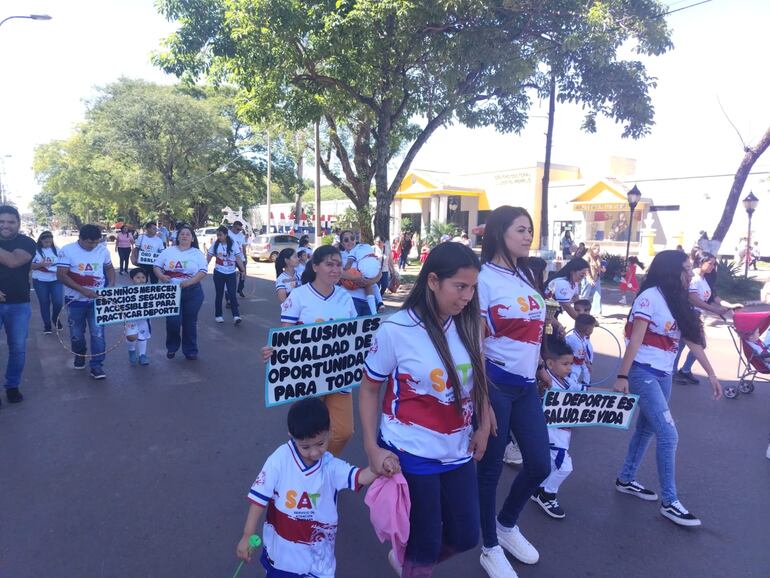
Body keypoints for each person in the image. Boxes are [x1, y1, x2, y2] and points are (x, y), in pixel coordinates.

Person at [360, 241, 493, 577]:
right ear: (433, 281)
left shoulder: (470, 325)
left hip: (457, 450)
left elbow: (477, 377)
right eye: (459, 286)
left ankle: (410, 564)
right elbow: (370, 388)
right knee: (424, 543)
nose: (467, 296)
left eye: (473, 288)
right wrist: (371, 448)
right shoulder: (396, 329)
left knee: (465, 536)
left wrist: (481, 424)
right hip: (410, 452)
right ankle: (415, 566)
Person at [614, 250, 723, 527]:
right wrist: (622, 375)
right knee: (668, 434)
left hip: (664, 374)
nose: (690, 273)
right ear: (670, 271)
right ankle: (670, 502)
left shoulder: (678, 299)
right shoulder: (649, 297)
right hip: (642, 372)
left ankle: (626, 479)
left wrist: (711, 373)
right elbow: (635, 341)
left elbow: (692, 341)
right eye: (685, 269)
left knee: (647, 428)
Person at [475, 206, 551, 578]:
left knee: (539, 463)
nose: (528, 235)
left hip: (526, 386)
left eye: (530, 229)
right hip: (494, 382)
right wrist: (482, 396)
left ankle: (506, 526)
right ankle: (488, 546)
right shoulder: (482, 279)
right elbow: (474, 342)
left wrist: (539, 367)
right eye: (520, 229)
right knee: (489, 470)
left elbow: (535, 332)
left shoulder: (525, 275)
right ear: (499, 233)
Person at [236, 397, 380, 577]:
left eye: (320, 443)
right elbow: (259, 498)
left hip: (318, 562)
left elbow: (360, 477)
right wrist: (247, 533)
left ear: (330, 432)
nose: (314, 452)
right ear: (292, 436)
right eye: (305, 447)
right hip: (281, 557)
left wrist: (379, 466)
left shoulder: (331, 467)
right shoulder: (279, 460)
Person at [278, 245, 358, 456]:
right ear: (315, 266)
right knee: (308, 432)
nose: (335, 269)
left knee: (343, 431)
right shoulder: (298, 295)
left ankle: (323, 466)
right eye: (329, 264)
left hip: (340, 373)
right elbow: (285, 336)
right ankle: (307, 471)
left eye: (339, 264)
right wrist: (274, 352)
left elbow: (355, 335)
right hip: (309, 374)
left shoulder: (345, 297)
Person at [530, 336, 585, 519]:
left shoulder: (567, 381)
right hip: (552, 432)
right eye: (565, 364)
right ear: (550, 364)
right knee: (564, 466)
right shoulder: (547, 383)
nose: (569, 368)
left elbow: (584, 391)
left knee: (554, 464)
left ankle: (540, 490)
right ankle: (547, 494)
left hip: (563, 431)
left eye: (570, 364)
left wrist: (613, 394)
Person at [57, 224, 116, 380]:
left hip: (97, 301)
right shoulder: (67, 250)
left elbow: (109, 268)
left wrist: (110, 285)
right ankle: (80, 354)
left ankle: (96, 366)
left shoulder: (102, 250)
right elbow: (61, 275)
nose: (94, 245)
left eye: (96, 242)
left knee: (98, 334)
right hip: (75, 301)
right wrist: (83, 290)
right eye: (90, 242)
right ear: (81, 239)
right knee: (77, 334)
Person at [673, 252, 741, 385]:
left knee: (693, 345)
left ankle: (684, 371)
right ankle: (674, 373)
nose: (713, 266)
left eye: (714, 264)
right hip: (688, 315)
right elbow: (692, 298)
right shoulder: (693, 277)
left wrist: (730, 305)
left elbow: (713, 297)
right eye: (710, 263)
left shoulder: (705, 279)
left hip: (696, 316)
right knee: (686, 345)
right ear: (701, 262)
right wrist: (714, 310)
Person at [0, 205, 37, 405]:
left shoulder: (27, 242)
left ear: (18, 224)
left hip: (19, 305)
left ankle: (12, 386)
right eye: (2, 221)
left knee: (18, 349)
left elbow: (14, 261)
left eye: (10, 222)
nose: (6, 225)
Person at [154, 224, 208, 360]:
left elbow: (203, 271)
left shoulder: (197, 253)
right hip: (171, 292)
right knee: (173, 321)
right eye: (182, 234)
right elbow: (156, 266)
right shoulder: (168, 251)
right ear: (177, 237)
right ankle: (172, 347)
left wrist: (189, 282)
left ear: (192, 239)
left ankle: (190, 350)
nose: (184, 236)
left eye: (188, 234)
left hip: (193, 292)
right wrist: (161, 276)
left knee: (190, 322)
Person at [207, 225, 244, 325]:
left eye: (220, 235)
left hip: (231, 273)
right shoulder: (215, 244)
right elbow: (209, 256)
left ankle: (236, 316)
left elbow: (238, 258)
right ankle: (218, 315)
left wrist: (242, 270)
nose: (219, 237)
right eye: (217, 235)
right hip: (219, 272)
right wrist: (204, 266)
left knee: (232, 294)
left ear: (226, 235)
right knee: (219, 294)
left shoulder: (233, 244)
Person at [338, 230, 381, 316]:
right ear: (342, 243)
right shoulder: (340, 256)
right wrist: (355, 278)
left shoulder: (364, 251)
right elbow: (338, 272)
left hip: (368, 299)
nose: (350, 242)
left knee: (369, 327)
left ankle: (380, 303)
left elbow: (379, 272)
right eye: (346, 240)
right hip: (351, 298)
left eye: (352, 238)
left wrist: (370, 282)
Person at [30, 231, 63, 335]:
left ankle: (55, 318)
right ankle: (47, 325)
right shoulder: (35, 251)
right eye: (46, 242)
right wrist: (41, 264)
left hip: (55, 280)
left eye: (50, 241)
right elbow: (29, 266)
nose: (48, 243)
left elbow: (64, 263)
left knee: (58, 303)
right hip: (40, 281)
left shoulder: (57, 250)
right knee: (44, 303)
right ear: (41, 241)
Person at [125, 268, 152, 366]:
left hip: (144, 320)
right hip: (131, 319)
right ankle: (131, 350)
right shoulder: (126, 291)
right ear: (132, 279)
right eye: (138, 277)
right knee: (131, 337)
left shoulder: (151, 291)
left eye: (143, 277)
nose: (141, 279)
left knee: (142, 337)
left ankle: (142, 355)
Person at [565, 314, 596, 387]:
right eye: (593, 328)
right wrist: (586, 364)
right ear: (588, 330)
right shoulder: (575, 342)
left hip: (577, 362)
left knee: (585, 371)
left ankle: (585, 384)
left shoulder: (583, 339)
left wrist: (588, 363)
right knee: (571, 382)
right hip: (572, 366)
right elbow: (578, 359)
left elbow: (584, 353)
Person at [580, 243, 605, 316]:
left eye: (598, 249)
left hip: (596, 278)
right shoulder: (586, 257)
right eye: (595, 249)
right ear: (591, 249)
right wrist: (589, 279)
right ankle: (581, 311)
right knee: (585, 295)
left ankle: (597, 312)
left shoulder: (598, 257)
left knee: (598, 295)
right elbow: (585, 269)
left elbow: (600, 266)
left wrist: (602, 269)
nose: (597, 251)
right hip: (587, 279)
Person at [228, 221, 248, 298]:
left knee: (243, 274)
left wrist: (245, 257)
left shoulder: (241, 236)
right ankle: (229, 294)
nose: (239, 231)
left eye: (240, 229)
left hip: (241, 258)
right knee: (232, 276)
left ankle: (240, 289)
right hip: (231, 258)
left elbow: (243, 247)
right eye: (237, 229)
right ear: (233, 226)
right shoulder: (228, 234)